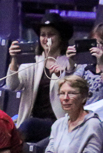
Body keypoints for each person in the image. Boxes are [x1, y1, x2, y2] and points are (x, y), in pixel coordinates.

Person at [6, 13, 73, 143]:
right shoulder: (32, 62)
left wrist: (63, 74)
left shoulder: (69, 62)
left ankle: (12, 147)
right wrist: (14, 60)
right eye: (43, 35)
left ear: (60, 37)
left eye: (51, 34)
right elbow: (13, 86)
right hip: (32, 119)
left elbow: (74, 89)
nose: (46, 39)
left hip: (58, 122)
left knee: (28, 126)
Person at [40, 76, 103, 153]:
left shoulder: (93, 125)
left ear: (83, 97)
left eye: (71, 93)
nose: (65, 98)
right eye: (62, 93)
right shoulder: (58, 124)